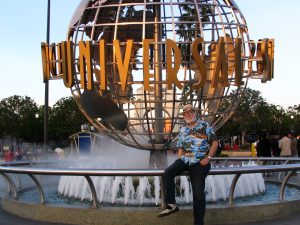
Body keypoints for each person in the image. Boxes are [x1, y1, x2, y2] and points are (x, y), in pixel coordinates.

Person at [158, 104, 218, 225]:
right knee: (168, 172)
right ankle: (172, 204)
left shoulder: (205, 125)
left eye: (190, 112)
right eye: (185, 113)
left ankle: (198, 222)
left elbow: (215, 143)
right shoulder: (183, 130)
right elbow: (180, 147)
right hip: (185, 160)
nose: (188, 114)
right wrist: (180, 159)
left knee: (198, 194)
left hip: (199, 162)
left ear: (195, 112)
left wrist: (209, 157)